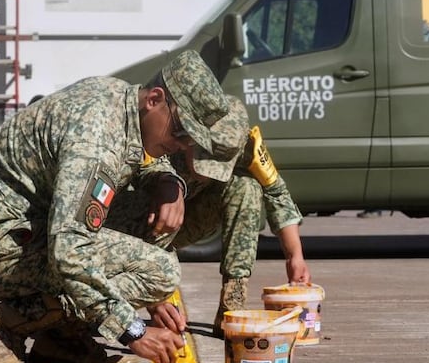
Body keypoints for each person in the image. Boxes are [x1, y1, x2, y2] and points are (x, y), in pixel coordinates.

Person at [0, 49, 229, 363]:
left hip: (25, 227)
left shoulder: (119, 100)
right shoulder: (94, 140)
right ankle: (0, 326)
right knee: (160, 271)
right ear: (154, 100)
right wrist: (132, 330)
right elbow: (70, 248)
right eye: (181, 133)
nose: (181, 146)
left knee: (147, 228)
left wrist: (167, 181)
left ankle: (62, 341)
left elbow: (133, 158)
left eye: (190, 142)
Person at [103, 96, 311, 338]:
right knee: (165, 199)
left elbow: (276, 191)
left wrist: (295, 257)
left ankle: (233, 302)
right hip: (130, 227)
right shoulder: (164, 134)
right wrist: (157, 298)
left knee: (246, 187)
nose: (205, 172)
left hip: (183, 221)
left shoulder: (245, 144)